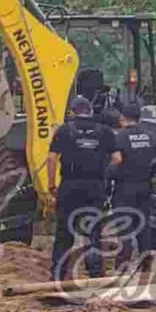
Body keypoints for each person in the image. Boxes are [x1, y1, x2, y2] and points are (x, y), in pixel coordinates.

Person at [46, 96, 121, 281]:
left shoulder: (64, 130)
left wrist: (51, 186)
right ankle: (95, 273)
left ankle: (58, 273)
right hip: (94, 186)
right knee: (94, 231)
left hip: (70, 185)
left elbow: (51, 158)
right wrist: (105, 174)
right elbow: (118, 159)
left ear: (72, 111)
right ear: (90, 111)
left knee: (64, 231)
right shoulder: (105, 132)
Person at [108, 101, 156, 266]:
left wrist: (109, 175)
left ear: (122, 118)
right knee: (143, 225)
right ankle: (146, 263)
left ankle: (123, 261)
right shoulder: (151, 136)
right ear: (139, 118)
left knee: (124, 225)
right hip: (144, 186)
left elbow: (116, 162)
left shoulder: (119, 137)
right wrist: (151, 171)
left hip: (124, 187)